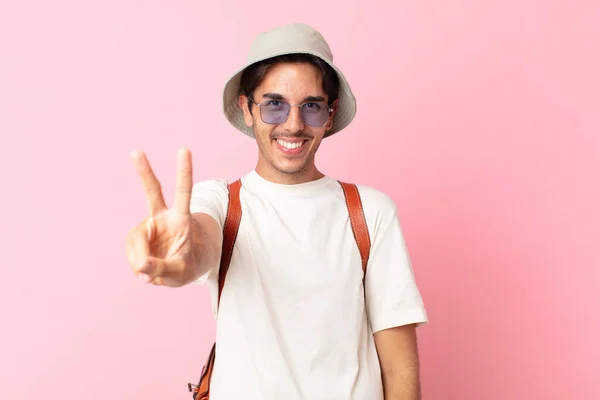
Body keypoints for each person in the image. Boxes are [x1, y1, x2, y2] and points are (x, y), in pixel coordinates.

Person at [127, 22, 428, 400]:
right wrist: (178, 256)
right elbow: (198, 244)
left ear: (330, 114)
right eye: (274, 104)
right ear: (247, 109)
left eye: (311, 107)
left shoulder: (369, 212)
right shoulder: (221, 203)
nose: (294, 124)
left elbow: (399, 366)